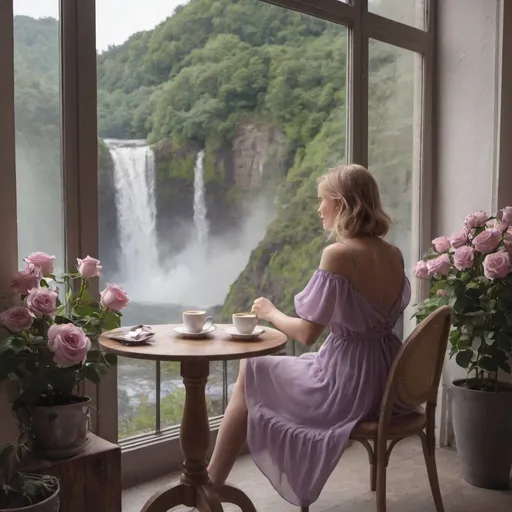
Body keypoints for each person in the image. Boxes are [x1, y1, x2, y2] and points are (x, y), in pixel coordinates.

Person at [208, 163, 411, 507]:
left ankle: (209, 483)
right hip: (388, 379)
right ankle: (210, 481)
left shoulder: (338, 255)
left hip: (347, 383)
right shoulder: (393, 254)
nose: (319, 209)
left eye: (323, 201)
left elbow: (306, 333)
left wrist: (269, 312)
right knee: (282, 367)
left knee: (251, 370)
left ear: (343, 204)